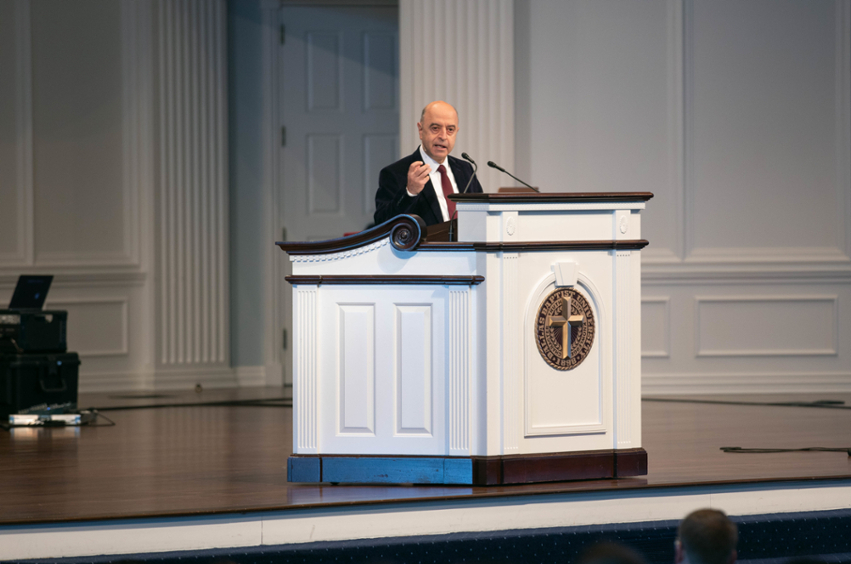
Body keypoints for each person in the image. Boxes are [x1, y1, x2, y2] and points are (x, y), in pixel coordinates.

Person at [374, 100, 483, 227]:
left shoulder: (466, 169)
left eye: (450, 130)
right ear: (421, 130)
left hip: (465, 246)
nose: (443, 136)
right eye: (435, 128)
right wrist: (410, 192)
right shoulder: (395, 173)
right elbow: (382, 223)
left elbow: (481, 213)